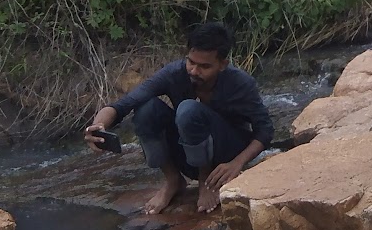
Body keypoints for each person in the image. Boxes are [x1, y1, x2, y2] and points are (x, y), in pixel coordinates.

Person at [85, 21, 274, 215]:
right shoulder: (174, 73)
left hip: (225, 155)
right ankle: (173, 180)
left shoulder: (241, 83)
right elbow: (123, 105)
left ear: (222, 65)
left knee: (188, 109)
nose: (193, 71)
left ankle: (205, 182)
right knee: (146, 109)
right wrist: (98, 126)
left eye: (204, 66)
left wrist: (237, 163)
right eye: (191, 62)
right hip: (190, 153)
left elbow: (265, 131)